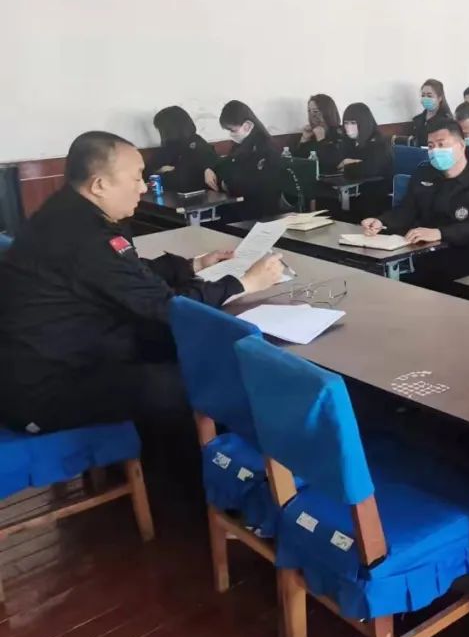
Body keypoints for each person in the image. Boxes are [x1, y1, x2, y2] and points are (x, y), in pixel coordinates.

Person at [0, 132, 284, 436]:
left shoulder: (68, 212)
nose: (143, 187)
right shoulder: (85, 236)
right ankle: (194, 464)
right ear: (99, 185)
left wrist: (193, 265)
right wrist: (243, 283)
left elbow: (123, 273)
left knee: (175, 349)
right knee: (175, 383)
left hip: (64, 352)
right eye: (136, 178)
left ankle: (217, 446)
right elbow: (169, 308)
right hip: (44, 390)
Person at [361, 118, 469, 281]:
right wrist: (381, 221)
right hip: (423, 253)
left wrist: (439, 233)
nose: (435, 151)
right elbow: (407, 210)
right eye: (431, 146)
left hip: (466, 258)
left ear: (461, 145)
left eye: (441, 144)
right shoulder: (424, 173)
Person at [206, 100, 283, 220]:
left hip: (260, 214)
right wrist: (209, 169)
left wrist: (225, 184)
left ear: (247, 126)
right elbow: (226, 165)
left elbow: (251, 184)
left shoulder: (266, 148)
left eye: (233, 130)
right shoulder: (240, 145)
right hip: (240, 207)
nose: (231, 135)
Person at [148, 106, 219, 193]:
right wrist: (160, 171)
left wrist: (164, 173)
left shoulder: (196, 145)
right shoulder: (169, 147)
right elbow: (148, 172)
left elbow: (183, 180)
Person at [337, 102, 391, 179]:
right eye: (346, 123)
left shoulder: (379, 144)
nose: (348, 127)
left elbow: (369, 170)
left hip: (376, 185)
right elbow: (338, 164)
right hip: (354, 184)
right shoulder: (350, 141)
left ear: (364, 123)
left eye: (353, 123)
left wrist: (348, 165)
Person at [293, 93, 342, 171]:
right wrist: (304, 140)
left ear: (327, 112)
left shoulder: (339, 133)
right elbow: (297, 164)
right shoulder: (311, 133)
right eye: (309, 111)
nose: (312, 115)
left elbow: (333, 164)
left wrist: (321, 140)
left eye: (315, 111)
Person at [410, 79, 453, 146]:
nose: (425, 98)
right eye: (423, 95)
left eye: (429, 96)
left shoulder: (447, 120)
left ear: (439, 98)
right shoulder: (417, 120)